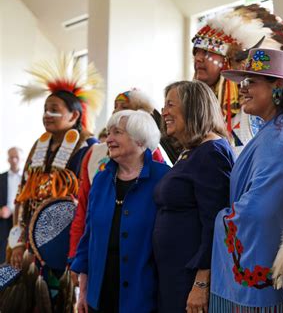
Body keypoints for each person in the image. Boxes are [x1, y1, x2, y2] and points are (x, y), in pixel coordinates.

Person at [206, 48, 283, 311]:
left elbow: (259, 212)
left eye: (251, 82)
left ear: (277, 86)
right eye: (243, 82)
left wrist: (219, 218)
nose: (242, 89)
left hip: (267, 281)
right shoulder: (280, 129)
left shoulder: (281, 137)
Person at [6, 53, 103, 312]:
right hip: (27, 248)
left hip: (64, 250)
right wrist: (17, 238)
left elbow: (86, 205)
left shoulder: (89, 149)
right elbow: (21, 196)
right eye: (45, 110)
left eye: (54, 110)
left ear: (74, 116)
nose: (47, 115)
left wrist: (74, 253)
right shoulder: (40, 147)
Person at [72, 110, 170, 312]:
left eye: (117, 132)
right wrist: (83, 291)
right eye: (108, 133)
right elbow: (89, 236)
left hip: (143, 296)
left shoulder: (164, 178)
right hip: (99, 295)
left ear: (140, 140)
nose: (109, 139)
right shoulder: (101, 179)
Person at [152, 81, 234, 312]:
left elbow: (215, 224)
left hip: (191, 277)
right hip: (174, 273)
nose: (164, 112)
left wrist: (201, 282)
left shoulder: (212, 153)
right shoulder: (192, 150)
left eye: (170, 104)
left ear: (193, 107)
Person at [192, 4, 283, 155]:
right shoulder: (205, 109)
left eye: (207, 52)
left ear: (229, 59)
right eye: (196, 52)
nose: (198, 58)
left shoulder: (255, 113)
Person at [68, 89, 163, 263]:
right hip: (100, 254)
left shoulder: (154, 158)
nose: (116, 111)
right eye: (115, 107)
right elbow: (83, 208)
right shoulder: (94, 154)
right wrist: (76, 255)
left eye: (124, 107)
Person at [0, 147, 22, 263]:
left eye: (16, 157)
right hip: (3, 222)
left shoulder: (27, 179)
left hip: (21, 222)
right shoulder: (0, 178)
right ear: (7, 159)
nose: (14, 160)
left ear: (21, 159)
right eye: (11, 157)